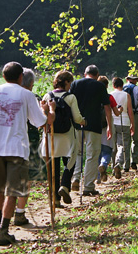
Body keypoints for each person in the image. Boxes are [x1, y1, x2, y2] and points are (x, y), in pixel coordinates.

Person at [0, 61, 55, 246]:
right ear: (21, 77)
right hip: (17, 149)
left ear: (3, 76)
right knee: (13, 191)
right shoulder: (26, 94)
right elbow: (40, 121)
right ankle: (4, 231)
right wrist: (49, 111)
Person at [40, 70, 85, 207]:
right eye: (70, 82)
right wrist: (83, 121)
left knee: (53, 168)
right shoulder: (71, 97)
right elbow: (77, 118)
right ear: (66, 82)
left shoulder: (48, 96)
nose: (70, 85)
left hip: (50, 136)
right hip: (67, 136)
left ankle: (56, 200)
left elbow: (43, 116)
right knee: (70, 162)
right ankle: (65, 186)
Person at [70, 65, 112, 196]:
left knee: (77, 153)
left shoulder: (75, 84)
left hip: (76, 124)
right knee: (92, 155)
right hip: (94, 124)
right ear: (97, 74)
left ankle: (75, 178)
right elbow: (107, 107)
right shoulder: (100, 86)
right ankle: (88, 186)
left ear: (85, 73)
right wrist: (110, 125)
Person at [14, 68, 44, 226]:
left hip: (9, 139)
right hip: (29, 140)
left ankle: (6, 214)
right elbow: (39, 122)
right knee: (26, 177)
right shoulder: (32, 97)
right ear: (31, 83)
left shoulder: (8, 95)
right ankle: (19, 212)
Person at [97, 75, 121, 182]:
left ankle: (98, 177)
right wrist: (121, 109)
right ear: (107, 86)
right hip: (107, 126)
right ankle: (104, 164)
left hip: (95, 127)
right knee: (107, 151)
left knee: (97, 152)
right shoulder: (109, 97)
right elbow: (116, 113)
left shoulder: (94, 98)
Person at [111, 77, 135, 179]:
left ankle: (113, 166)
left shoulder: (110, 95)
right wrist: (132, 124)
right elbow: (130, 111)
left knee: (113, 146)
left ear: (113, 85)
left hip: (112, 122)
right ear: (122, 85)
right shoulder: (127, 95)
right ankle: (120, 163)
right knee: (123, 145)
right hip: (124, 122)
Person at [123, 75, 138, 171]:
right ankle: (134, 161)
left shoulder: (122, 88)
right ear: (136, 80)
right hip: (135, 115)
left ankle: (125, 164)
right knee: (136, 139)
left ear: (127, 79)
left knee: (125, 140)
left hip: (124, 115)